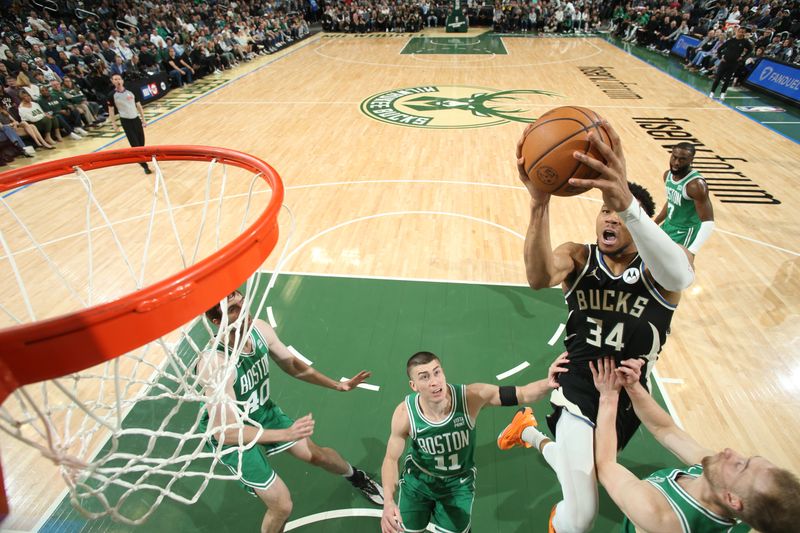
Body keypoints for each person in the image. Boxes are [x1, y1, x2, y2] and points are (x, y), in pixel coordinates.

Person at [499, 120, 696, 533]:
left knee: (585, 472)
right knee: (582, 514)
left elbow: (681, 278)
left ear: (635, 218)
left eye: (618, 213)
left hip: (627, 395)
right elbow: (537, 277)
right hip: (578, 386)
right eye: (604, 210)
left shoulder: (662, 267)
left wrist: (627, 203)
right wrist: (539, 203)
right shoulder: (578, 257)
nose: (609, 219)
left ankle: (530, 433)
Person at [197, 290, 384, 533]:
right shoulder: (215, 363)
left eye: (243, 303)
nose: (244, 311)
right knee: (282, 504)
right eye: (233, 310)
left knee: (316, 455)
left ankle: (355, 476)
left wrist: (337, 384)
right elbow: (226, 432)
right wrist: (286, 435)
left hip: (262, 412)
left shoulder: (260, 330)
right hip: (232, 432)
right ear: (217, 321)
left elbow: (292, 365)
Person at [590, 356, 800, 532]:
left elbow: (606, 465)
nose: (731, 452)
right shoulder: (723, 486)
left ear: (732, 499)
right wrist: (634, 387)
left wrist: (608, 397)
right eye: (746, 459)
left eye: (740, 466)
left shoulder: (656, 512)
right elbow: (665, 430)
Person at [380, 350, 569, 533]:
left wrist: (549, 382)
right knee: (408, 530)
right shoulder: (405, 414)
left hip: (458, 484)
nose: (434, 382)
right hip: (418, 482)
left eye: (437, 372)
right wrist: (388, 501)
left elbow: (522, 394)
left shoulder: (470, 397)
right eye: (424, 377)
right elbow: (390, 459)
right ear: (413, 386)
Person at [653, 142, 714, 255]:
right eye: (674, 157)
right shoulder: (668, 175)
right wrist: (655, 223)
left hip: (684, 232)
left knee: (675, 267)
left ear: (691, 160)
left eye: (682, 159)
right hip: (668, 225)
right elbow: (672, 201)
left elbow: (708, 223)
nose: (676, 163)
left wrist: (691, 251)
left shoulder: (695, 185)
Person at [107, 73, 152, 174]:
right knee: (135, 145)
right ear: (112, 81)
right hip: (126, 122)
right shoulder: (111, 95)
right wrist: (114, 124)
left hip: (136, 119)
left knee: (141, 142)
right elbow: (111, 110)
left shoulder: (131, 91)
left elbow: (139, 106)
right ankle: (145, 166)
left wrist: (143, 119)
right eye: (115, 79)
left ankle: (141, 159)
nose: (118, 81)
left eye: (119, 79)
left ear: (122, 80)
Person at [709, 26, 753, 100]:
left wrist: (743, 57)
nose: (741, 33)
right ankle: (712, 92)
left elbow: (750, 50)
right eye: (740, 31)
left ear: (744, 33)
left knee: (727, 79)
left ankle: (722, 93)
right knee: (718, 78)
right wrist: (720, 57)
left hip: (734, 63)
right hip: (724, 62)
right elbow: (719, 49)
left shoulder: (745, 42)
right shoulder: (731, 40)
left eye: (743, 32)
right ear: (737, 31)